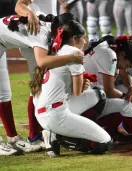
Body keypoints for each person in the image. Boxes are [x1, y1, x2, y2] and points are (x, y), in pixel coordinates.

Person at [0, 13, 84, 153]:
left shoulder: (48, 26)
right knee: (3, 94)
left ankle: (30, 137)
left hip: (10, 42)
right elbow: (42, 61)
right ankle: (14, 138)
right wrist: (72, 57)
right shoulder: (41, 32)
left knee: (37, 85)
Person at [32, 20, 112, 157]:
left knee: (97, 95)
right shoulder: (75, 53)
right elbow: (77, 92)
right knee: (105, 143)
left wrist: (83, 82)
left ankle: (54, 131)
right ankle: (58, 137)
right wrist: (83, 83)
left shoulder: (56, 48)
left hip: (43, 111)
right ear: (75, 38)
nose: (85, 42)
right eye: (83, 37)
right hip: (56, 114)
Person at [15, 0, 58, 146]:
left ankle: (40, 131)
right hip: (35, 35)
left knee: (45, 81)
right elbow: (19, 5)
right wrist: (29, 13)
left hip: (43, 32)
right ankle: (34, 135)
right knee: (39, 83)